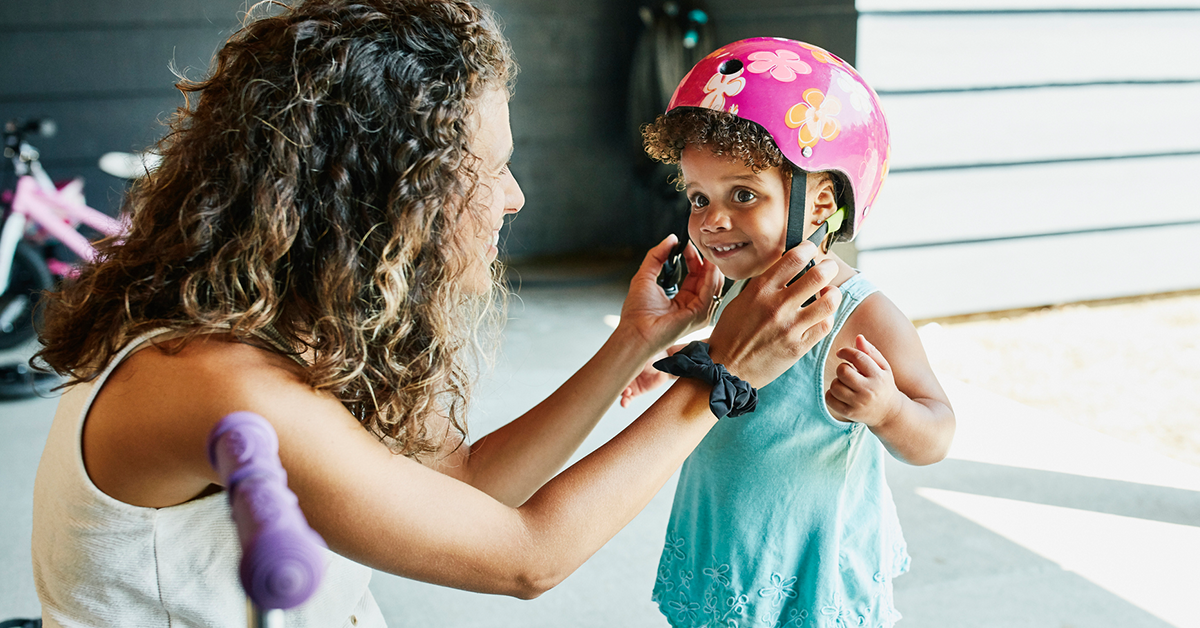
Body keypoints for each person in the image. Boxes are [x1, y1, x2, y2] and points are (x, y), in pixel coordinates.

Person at [27, 4, 845, 627]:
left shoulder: (288, 319)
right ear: (385, 188)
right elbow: (527, 557)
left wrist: (641, 340)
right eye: (489, 168)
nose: (515, 197)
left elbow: (463, 484)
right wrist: (722, 374)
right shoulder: (216, 382)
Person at [622, 38, 956, 628]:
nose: (711, 220)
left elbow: (937, 431)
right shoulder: (743, 290)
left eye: (742, 194)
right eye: (698, 197)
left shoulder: (859, 314)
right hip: (729, 552)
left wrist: (887, 411)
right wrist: (681, 357)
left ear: (821, 199)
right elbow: (741, 365)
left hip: (802, 575)